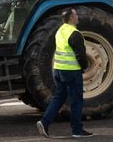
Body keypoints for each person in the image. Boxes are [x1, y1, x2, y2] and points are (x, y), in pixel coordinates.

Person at [36, 8, 93, 139]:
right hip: (72, 71)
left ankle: (44, 122)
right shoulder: (75, 34)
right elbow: (81, 55)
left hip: (58, 70)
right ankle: (77, 130)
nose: (78, 16)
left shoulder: (60, 31)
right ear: (72, 18)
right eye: (76, 14)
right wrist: (84, 67)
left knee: (59, 97)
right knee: (76, 100)